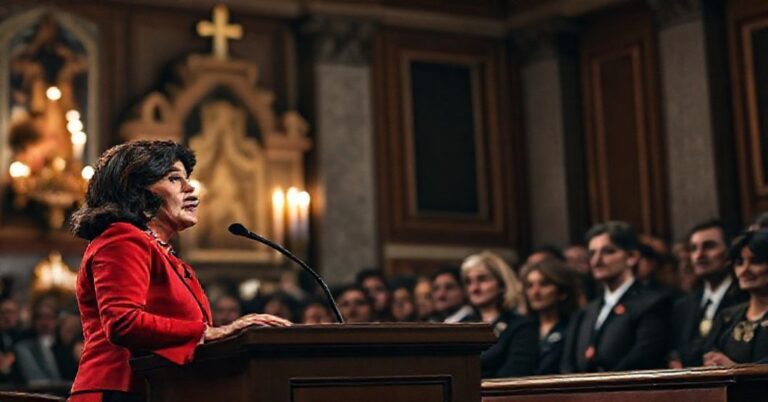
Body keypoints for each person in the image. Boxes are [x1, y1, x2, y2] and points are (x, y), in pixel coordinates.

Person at [67, 141, 291, 402]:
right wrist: (210, 332)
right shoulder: (123, 238)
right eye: (174, 179)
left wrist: (229, 335)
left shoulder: (163, 253)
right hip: (121, 391)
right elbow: (123, 322)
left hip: (160, 390)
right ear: (137, 190)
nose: (190, 188)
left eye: (187, 178)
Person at [561, 221, 671, 373]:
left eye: (608, 251)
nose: (596, 260)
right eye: (592, 253)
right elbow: (567, 364)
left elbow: (643, 358)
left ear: (632, 256)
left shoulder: (652, 304)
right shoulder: (585, 311)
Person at [671, 220, 747, 367]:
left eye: (709, 246)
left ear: (729, 250)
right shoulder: (683, 305)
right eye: (693, 248)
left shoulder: (746, 298)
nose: (699, 255)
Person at [461, 251, 538, 378]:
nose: (474, 288)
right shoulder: (461, 325)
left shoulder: (521, 326)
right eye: (469, 282)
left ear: (502, 284)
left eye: (482, 279)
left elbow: (514, 373)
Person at [702, 230, 768, 366]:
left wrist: (736, 370)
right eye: (739, 262)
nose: (744, 270)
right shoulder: (727, 317)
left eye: (755, 261)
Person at [521, 259, 580, 375]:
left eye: (544, 284)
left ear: (562, 292)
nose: (535, 292)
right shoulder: (521, 328)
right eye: (530, 286)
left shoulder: (575, 327)